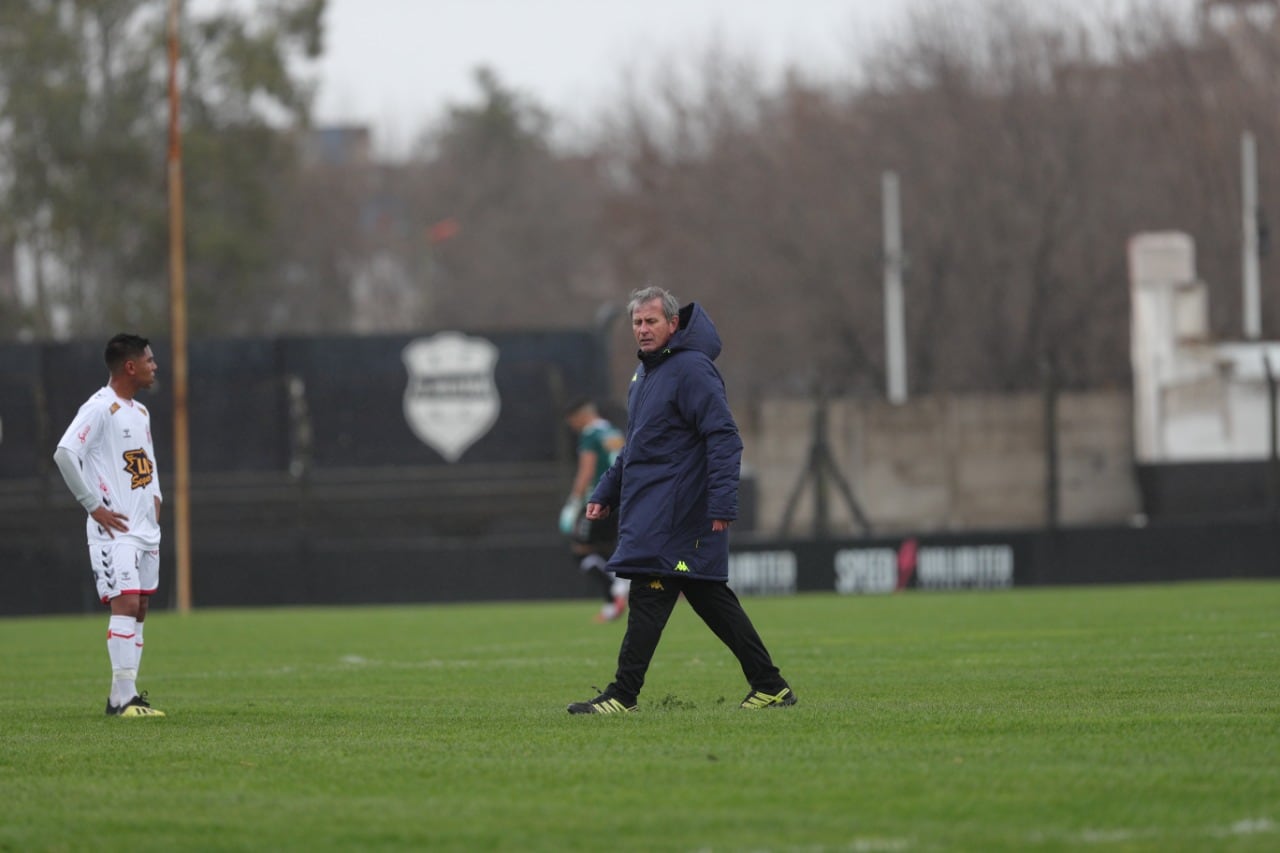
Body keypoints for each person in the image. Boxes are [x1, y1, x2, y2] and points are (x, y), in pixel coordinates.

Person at [567, 286, 795, 714]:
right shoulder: (646, 375)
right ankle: (771, 685)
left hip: (678, 512)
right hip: (654, 507)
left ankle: (622, 695)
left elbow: (724, 438)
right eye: (637, 322)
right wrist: (605, 493)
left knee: (650, 592)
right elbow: (635, 447)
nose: (642, 329)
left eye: (651, 321)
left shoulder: (692, 369)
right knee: (711, 598)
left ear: (673, 324)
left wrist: (723, 503)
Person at [53, 334, 166, 718]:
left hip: (144, 527)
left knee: (141, 606)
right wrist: (92, 507)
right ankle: (125, 699)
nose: (155, 366)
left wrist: (157, 498)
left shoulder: (141, 412)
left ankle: (120, 696)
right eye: (149, 360)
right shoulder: (99, 408)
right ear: (130, 366)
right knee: (127, 601)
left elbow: (144, 463)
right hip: (114, 527)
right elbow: (65, 453)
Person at [560, 398, 629, 622]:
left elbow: (587, 471)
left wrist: (573, 502)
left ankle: (616, 590)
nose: (572, 426)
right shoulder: (612, 432)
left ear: (581, 415)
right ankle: (613, 603)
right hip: (620, 500)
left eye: (572, 421)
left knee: (580, 550)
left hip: (596, 501)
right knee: (605, 550)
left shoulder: (590, 435)